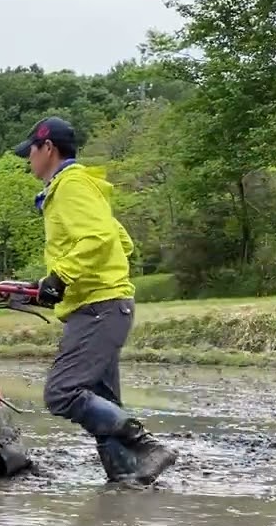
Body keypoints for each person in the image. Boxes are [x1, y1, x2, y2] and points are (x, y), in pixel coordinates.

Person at [13, 116, 177, 485]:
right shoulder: (85, 186)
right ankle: (127, 479)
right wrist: (57, 282)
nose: (28, 161)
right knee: (102, 401)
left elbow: (100, 239)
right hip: (103, 304)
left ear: (48, 148)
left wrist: (62, 276)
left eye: (31, 153)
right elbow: (122, 241)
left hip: (99, 308)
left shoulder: (69, 185)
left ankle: (148, 447)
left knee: (62, 393)